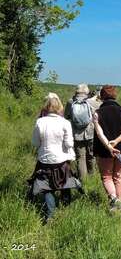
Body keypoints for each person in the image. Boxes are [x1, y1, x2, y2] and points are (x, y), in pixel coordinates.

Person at [30, 94, 81, 223]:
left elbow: (35, 143)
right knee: (65, 181)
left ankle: (50, 216)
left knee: (47, 187)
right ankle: (66, 207)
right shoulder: (65, 123)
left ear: (46, 107)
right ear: (59, 107)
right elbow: (69, 144)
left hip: (45, 159)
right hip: (62, 160)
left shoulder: (40, 121)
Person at [93, 85, 121, 212]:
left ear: (101, 97)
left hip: (104, 149)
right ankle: (119, 205)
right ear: (115, 96)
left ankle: (114, 200)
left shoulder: (97, 113)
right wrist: (116, 141)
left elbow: (99, 133)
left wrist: (109, 146)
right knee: (118, 176)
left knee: (106, 176)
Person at [64, 84, 96, 179]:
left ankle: (83, 181)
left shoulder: (70, 102)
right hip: (90, 133)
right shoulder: (91, 102)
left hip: (77, 134)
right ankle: (92, 177)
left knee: (80, 158)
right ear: (87, 92)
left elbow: (66, 116)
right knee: (91, 155)